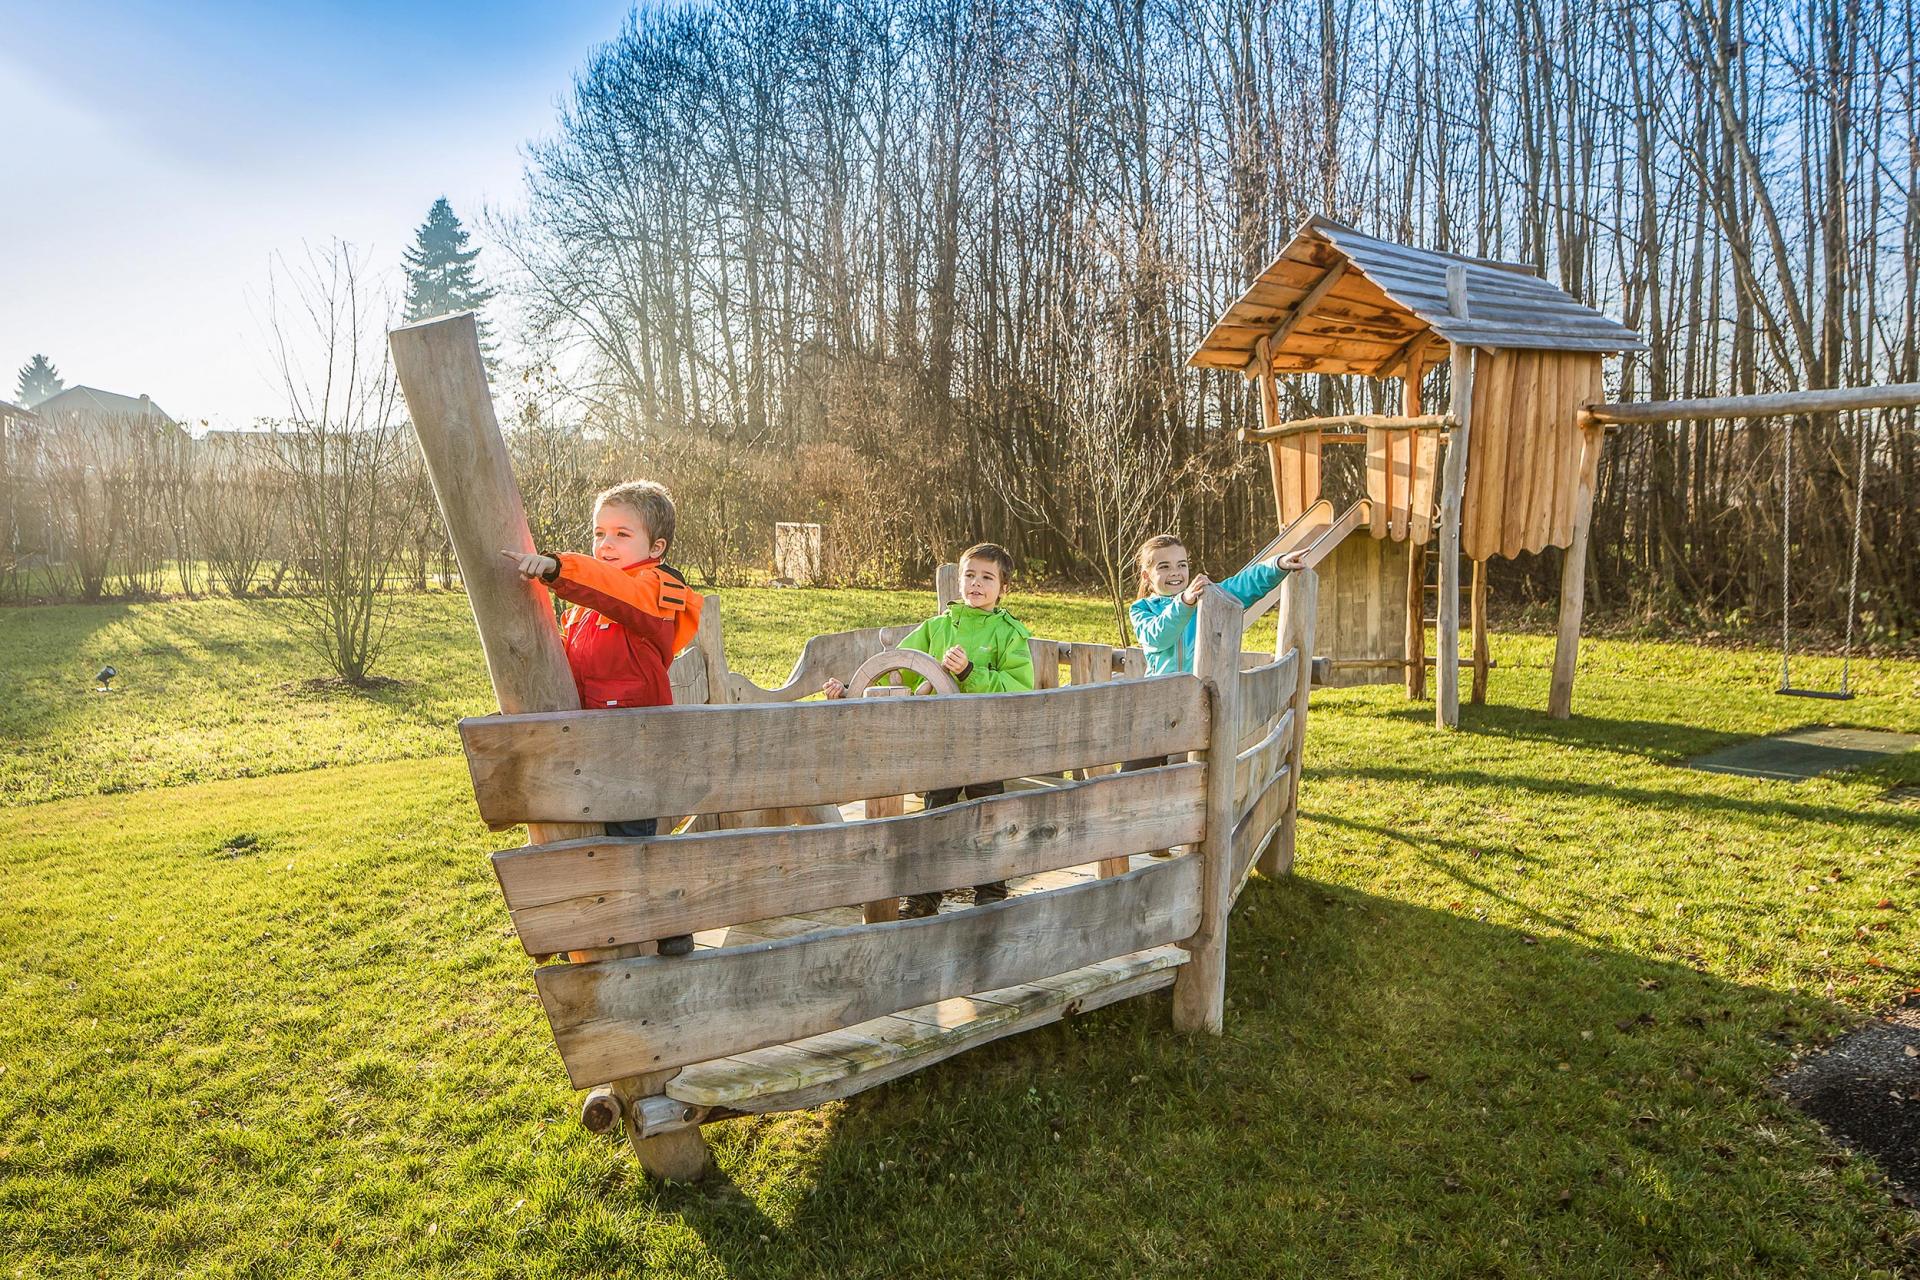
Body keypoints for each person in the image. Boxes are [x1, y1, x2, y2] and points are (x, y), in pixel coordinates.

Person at [501, 480, 704, 956]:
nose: (606, 545)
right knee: (585, 832)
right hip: (591, 736)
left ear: (656, 547)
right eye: (599, 534)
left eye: (621, 534)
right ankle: (575, 919)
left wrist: (559, 567)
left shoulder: (656, 589)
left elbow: (616, 591)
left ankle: (669, 921)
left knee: (633, 837)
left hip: (636, 738)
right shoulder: (586, 610)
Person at [824, 543, 1035, 918]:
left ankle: (990, 891)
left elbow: (1019, 689)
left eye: (987, 577)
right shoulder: (937, 628)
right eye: (969, 575)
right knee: (934, 816)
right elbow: (896, 667)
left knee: (991, 814)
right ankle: (924, 896)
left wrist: (971, 673)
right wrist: (850, 689)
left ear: (1004, 587)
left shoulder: (1010, 634)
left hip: (986, 744)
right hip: (939, 744)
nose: (976, 583)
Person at [1128, 533, 1287, 675]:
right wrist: (1184, 603)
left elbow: (1242, 584)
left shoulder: (1205, 598)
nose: (1175, 572)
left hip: (1202, 695)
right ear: (1146, 576)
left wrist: (1277, 564)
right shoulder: (1141, 609)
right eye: (1164, 566)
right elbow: (1159, 637)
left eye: (1181, 565)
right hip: (1161, 698)